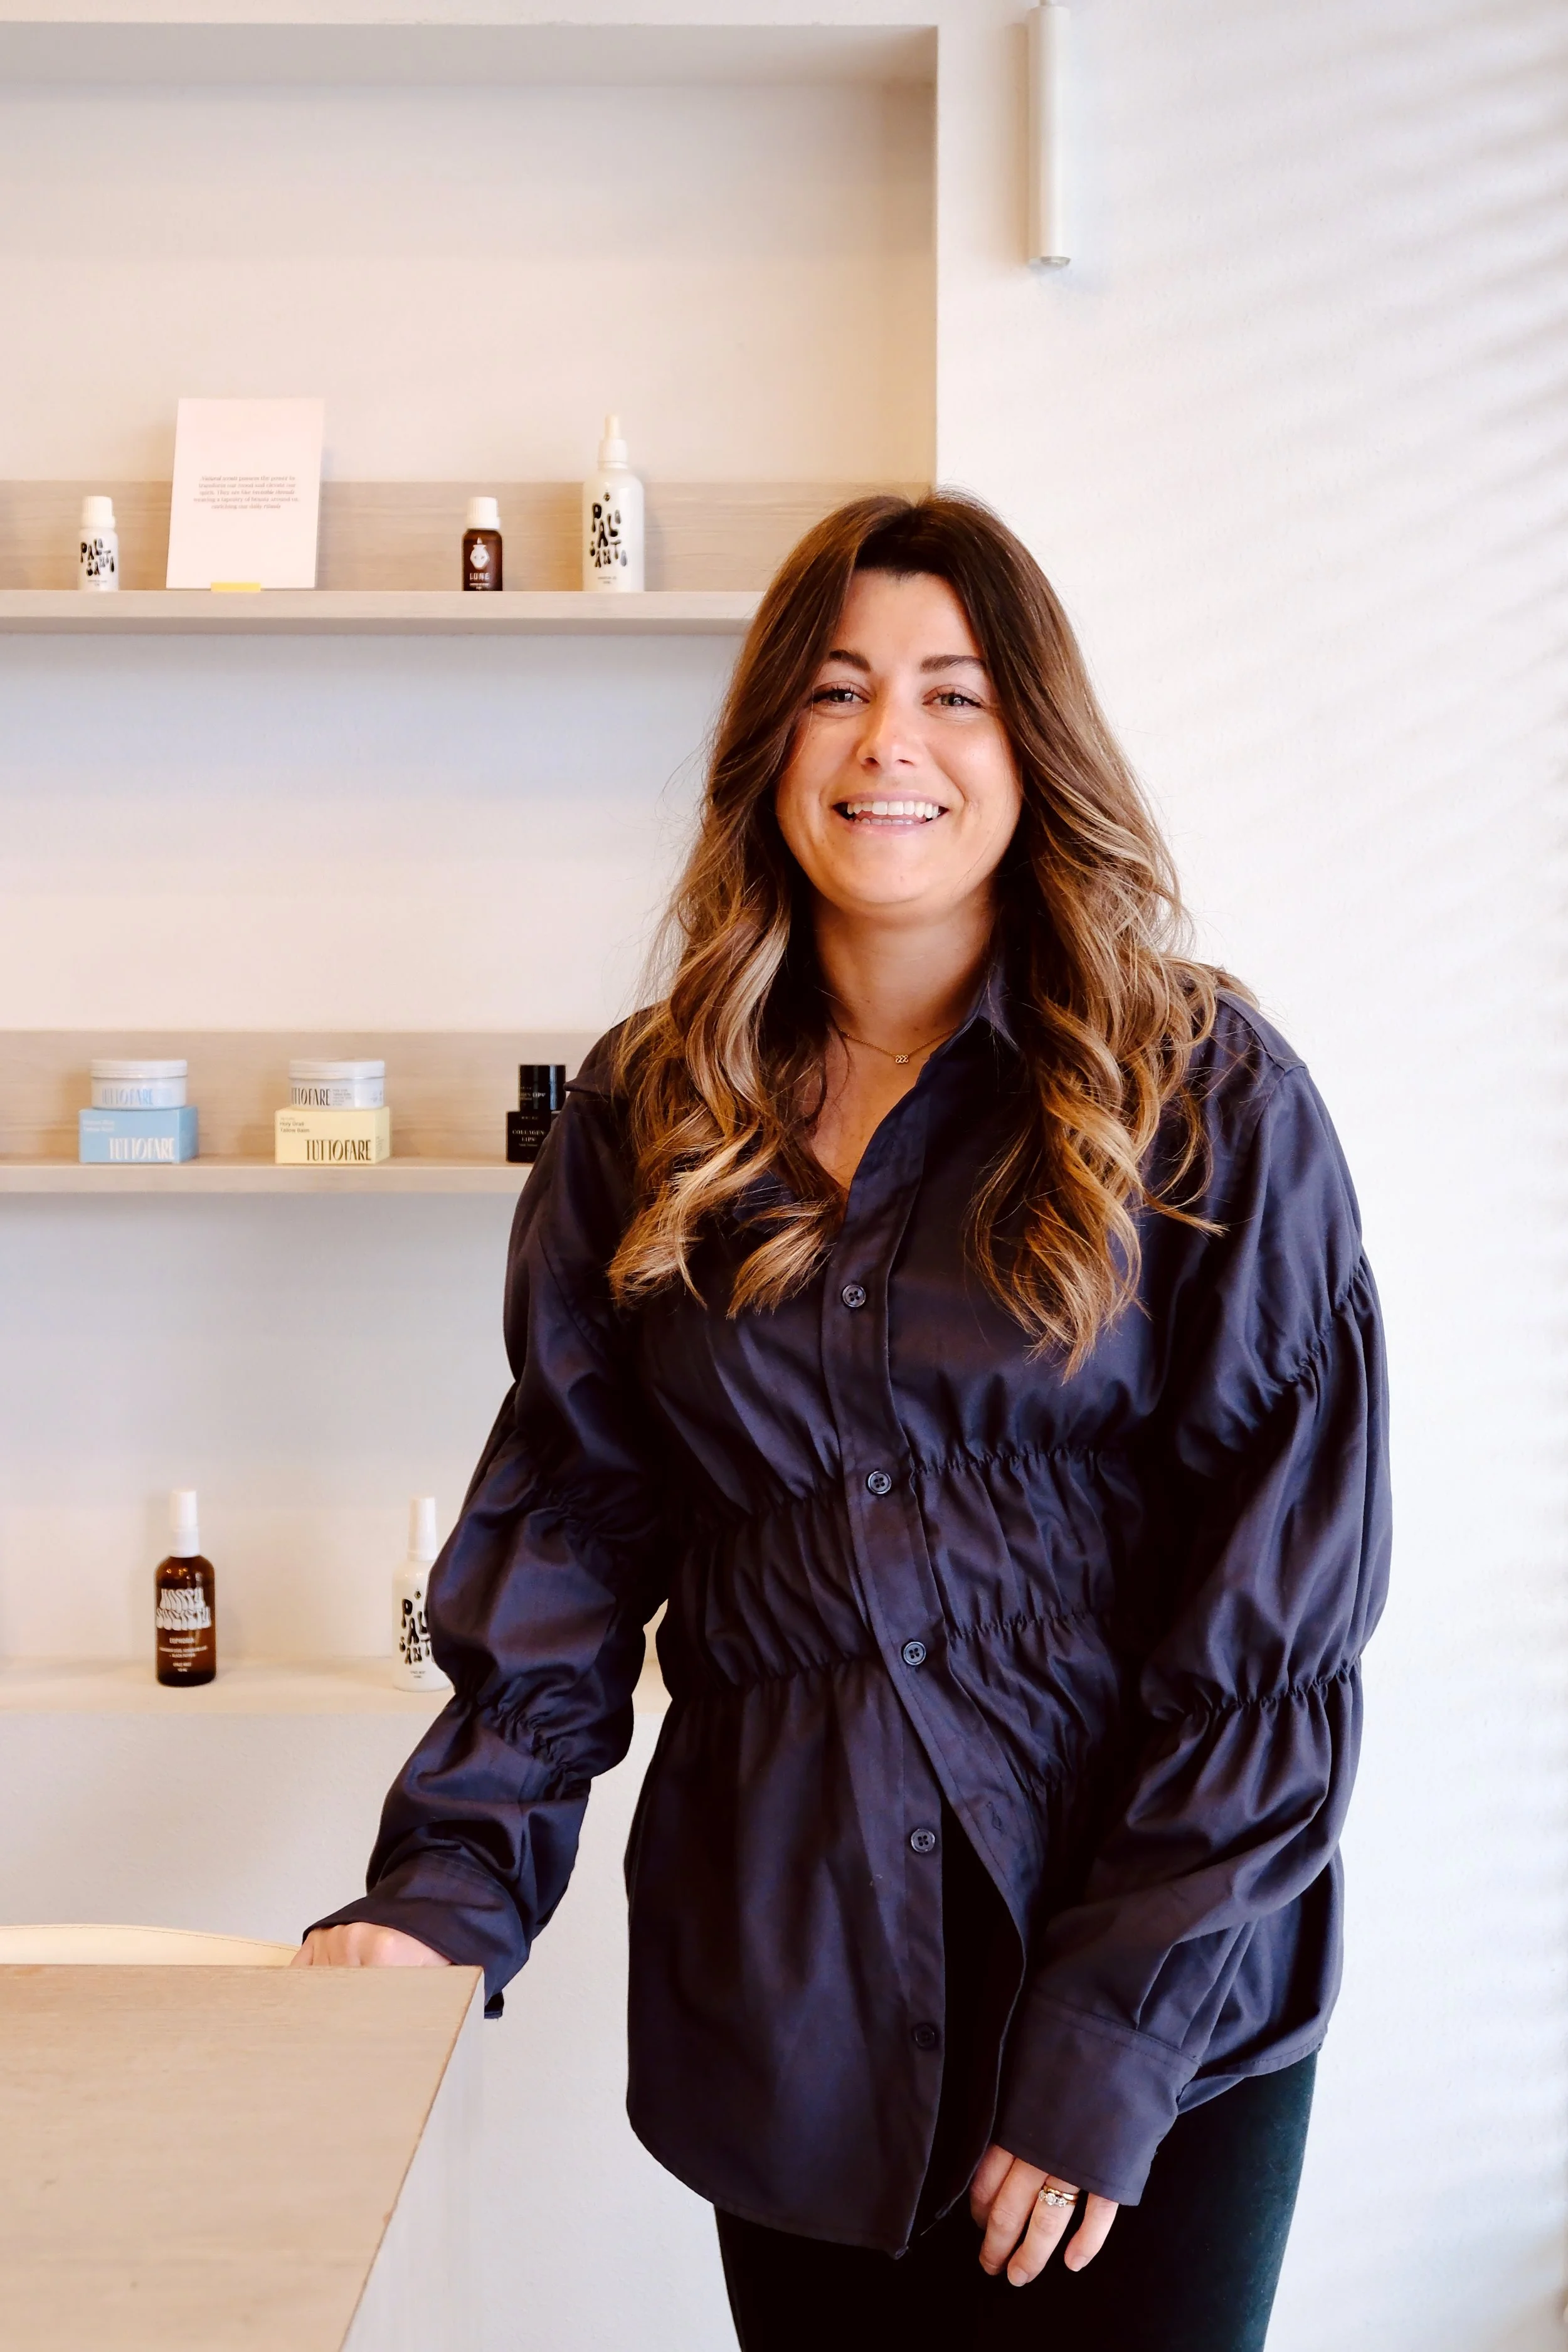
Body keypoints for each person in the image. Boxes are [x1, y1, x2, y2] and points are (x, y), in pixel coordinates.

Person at [295, 493, 1390, 2351]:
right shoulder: (646, 1115)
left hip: (1155, 2005)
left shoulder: (1203, 1095)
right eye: (836, 690)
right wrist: (443, 1890)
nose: (891, 742)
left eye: (955, 694)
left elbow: (1275, 1624)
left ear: (1034, 748)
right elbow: (568, 1538)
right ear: (769, 747)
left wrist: (1110, 2038)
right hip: (798, 2001)